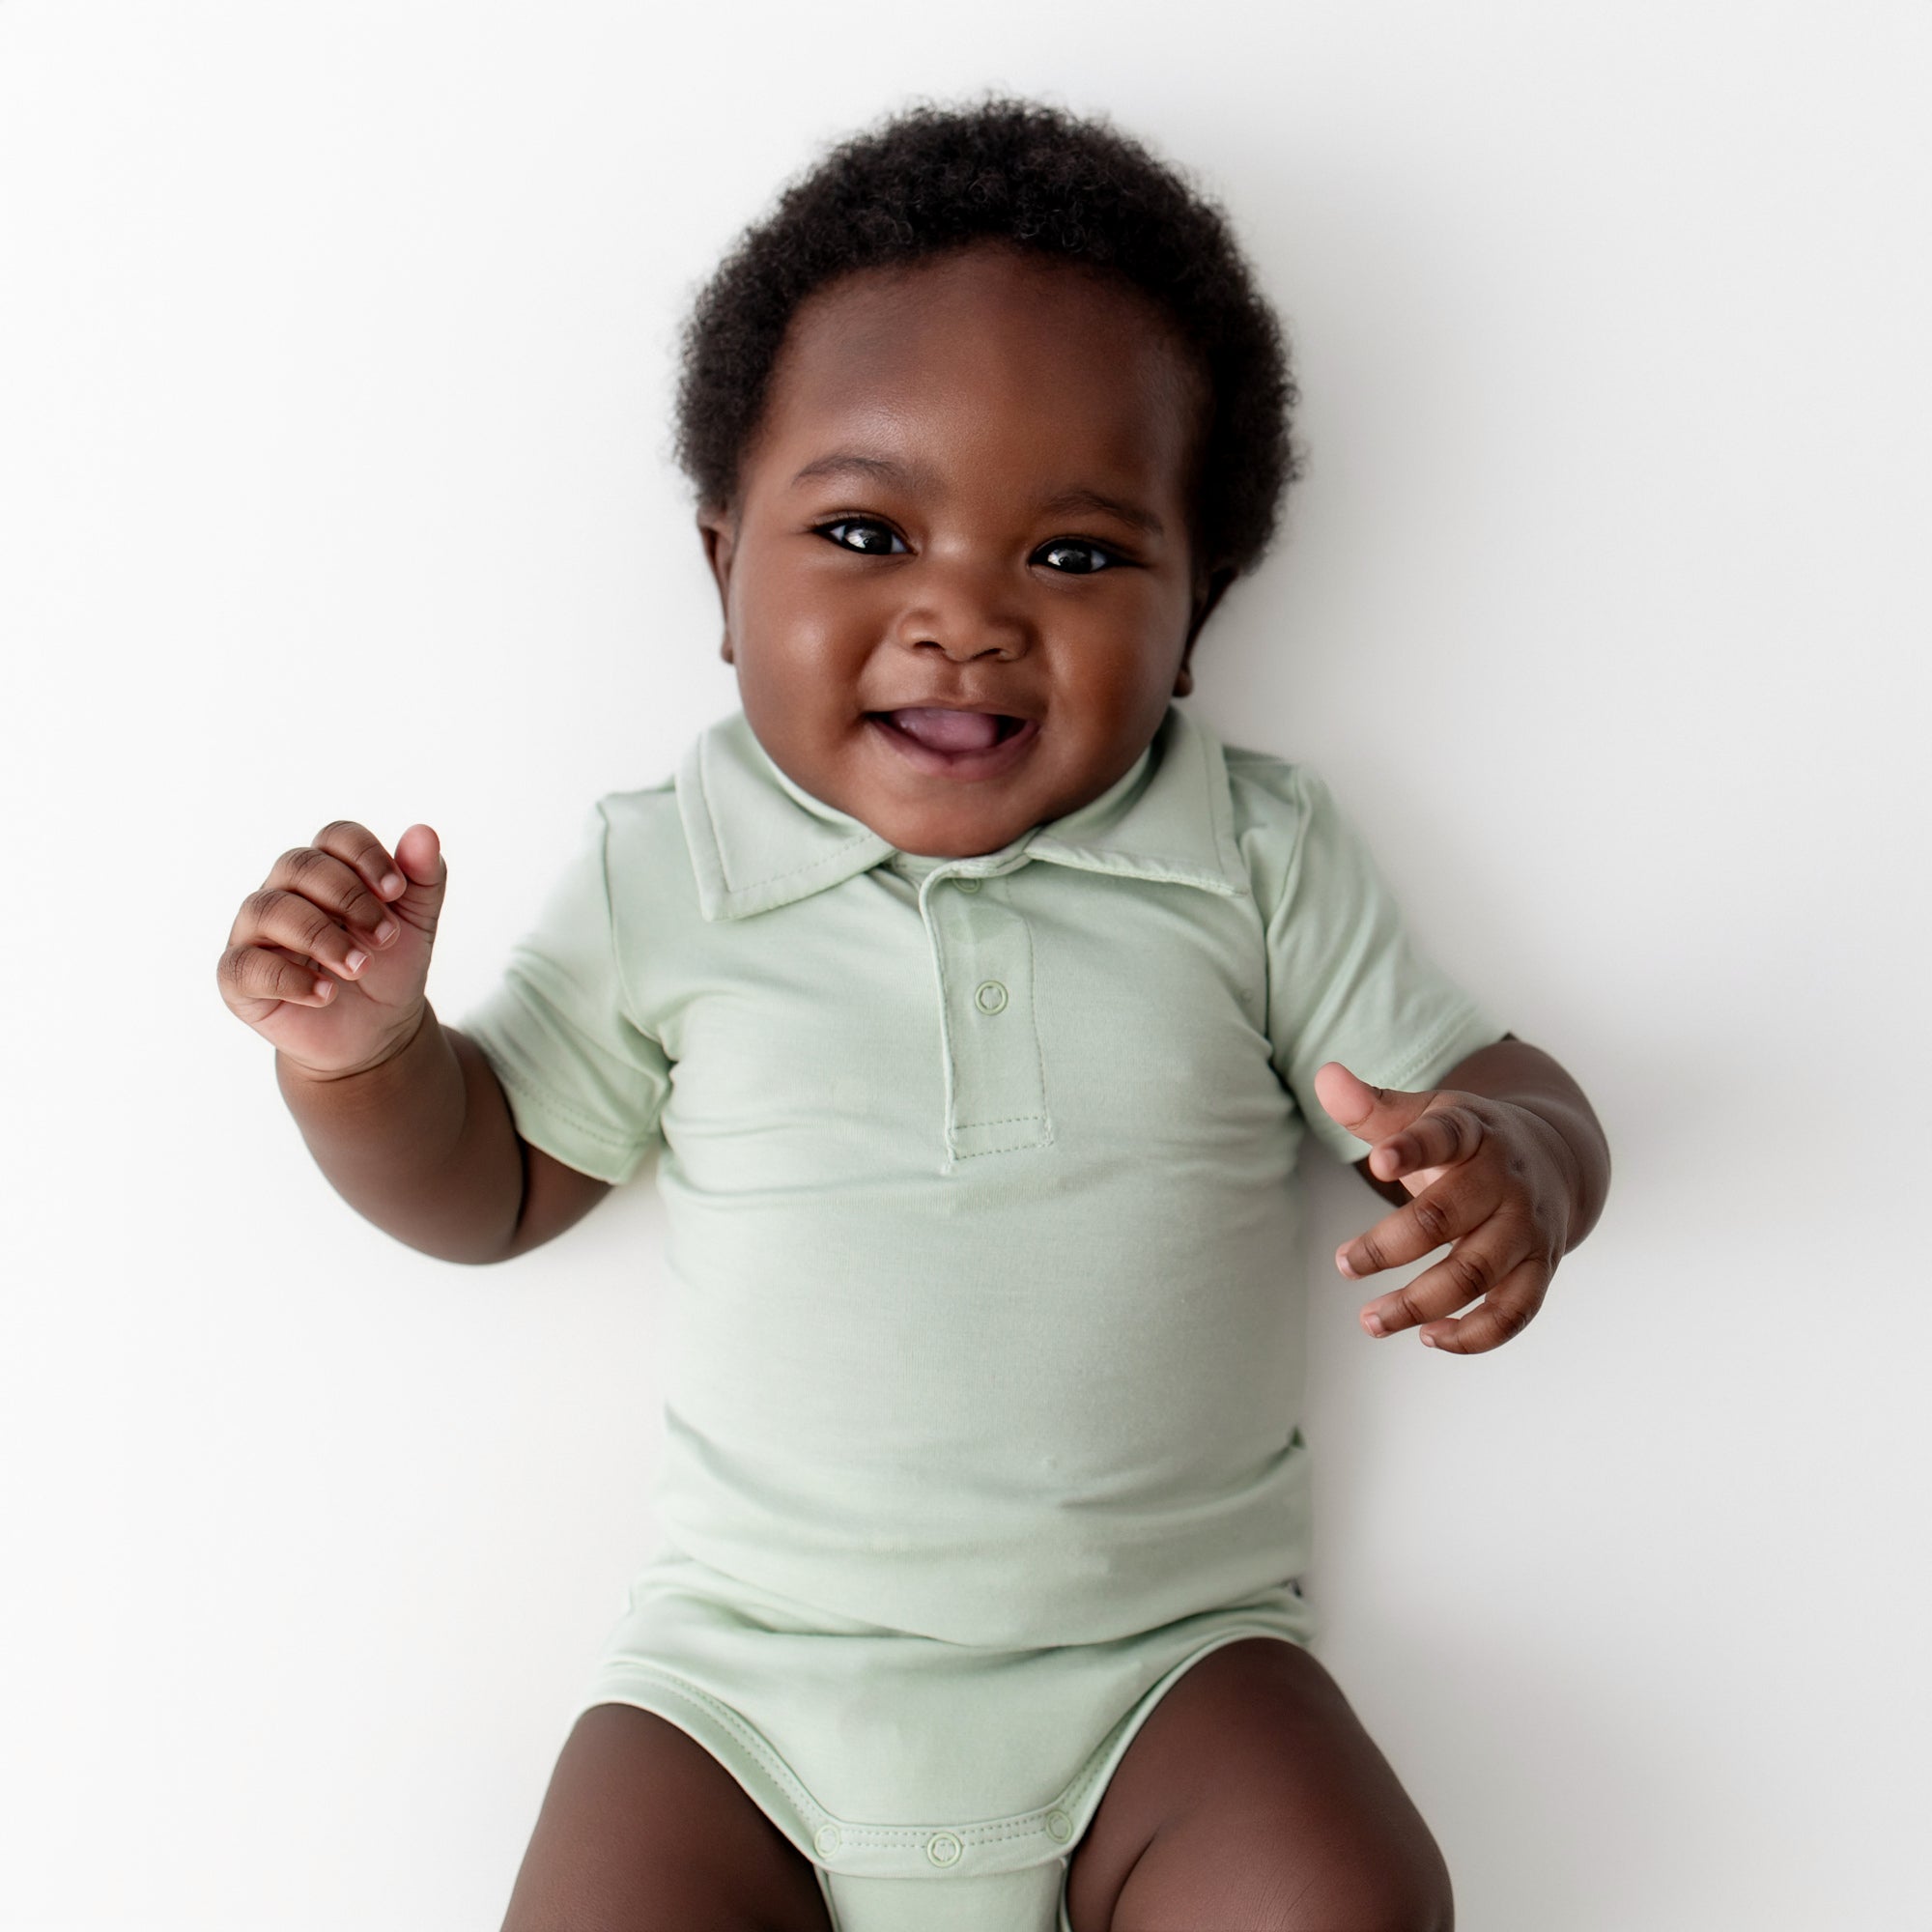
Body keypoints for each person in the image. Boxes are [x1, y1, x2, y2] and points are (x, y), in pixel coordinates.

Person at [216, 99, 1608, 1932]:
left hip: (1168, 1682)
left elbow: (1494, 1087)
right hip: (742, 1705)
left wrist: (1509, 1160)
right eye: (868, 531)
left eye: (1079, 557)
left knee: (1344, 1889)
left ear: (1199, 618)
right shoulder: (673, 871)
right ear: (723, 574)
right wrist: (369, 1057)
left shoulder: (1251, 856)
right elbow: (494, 1190)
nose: (962, 618)